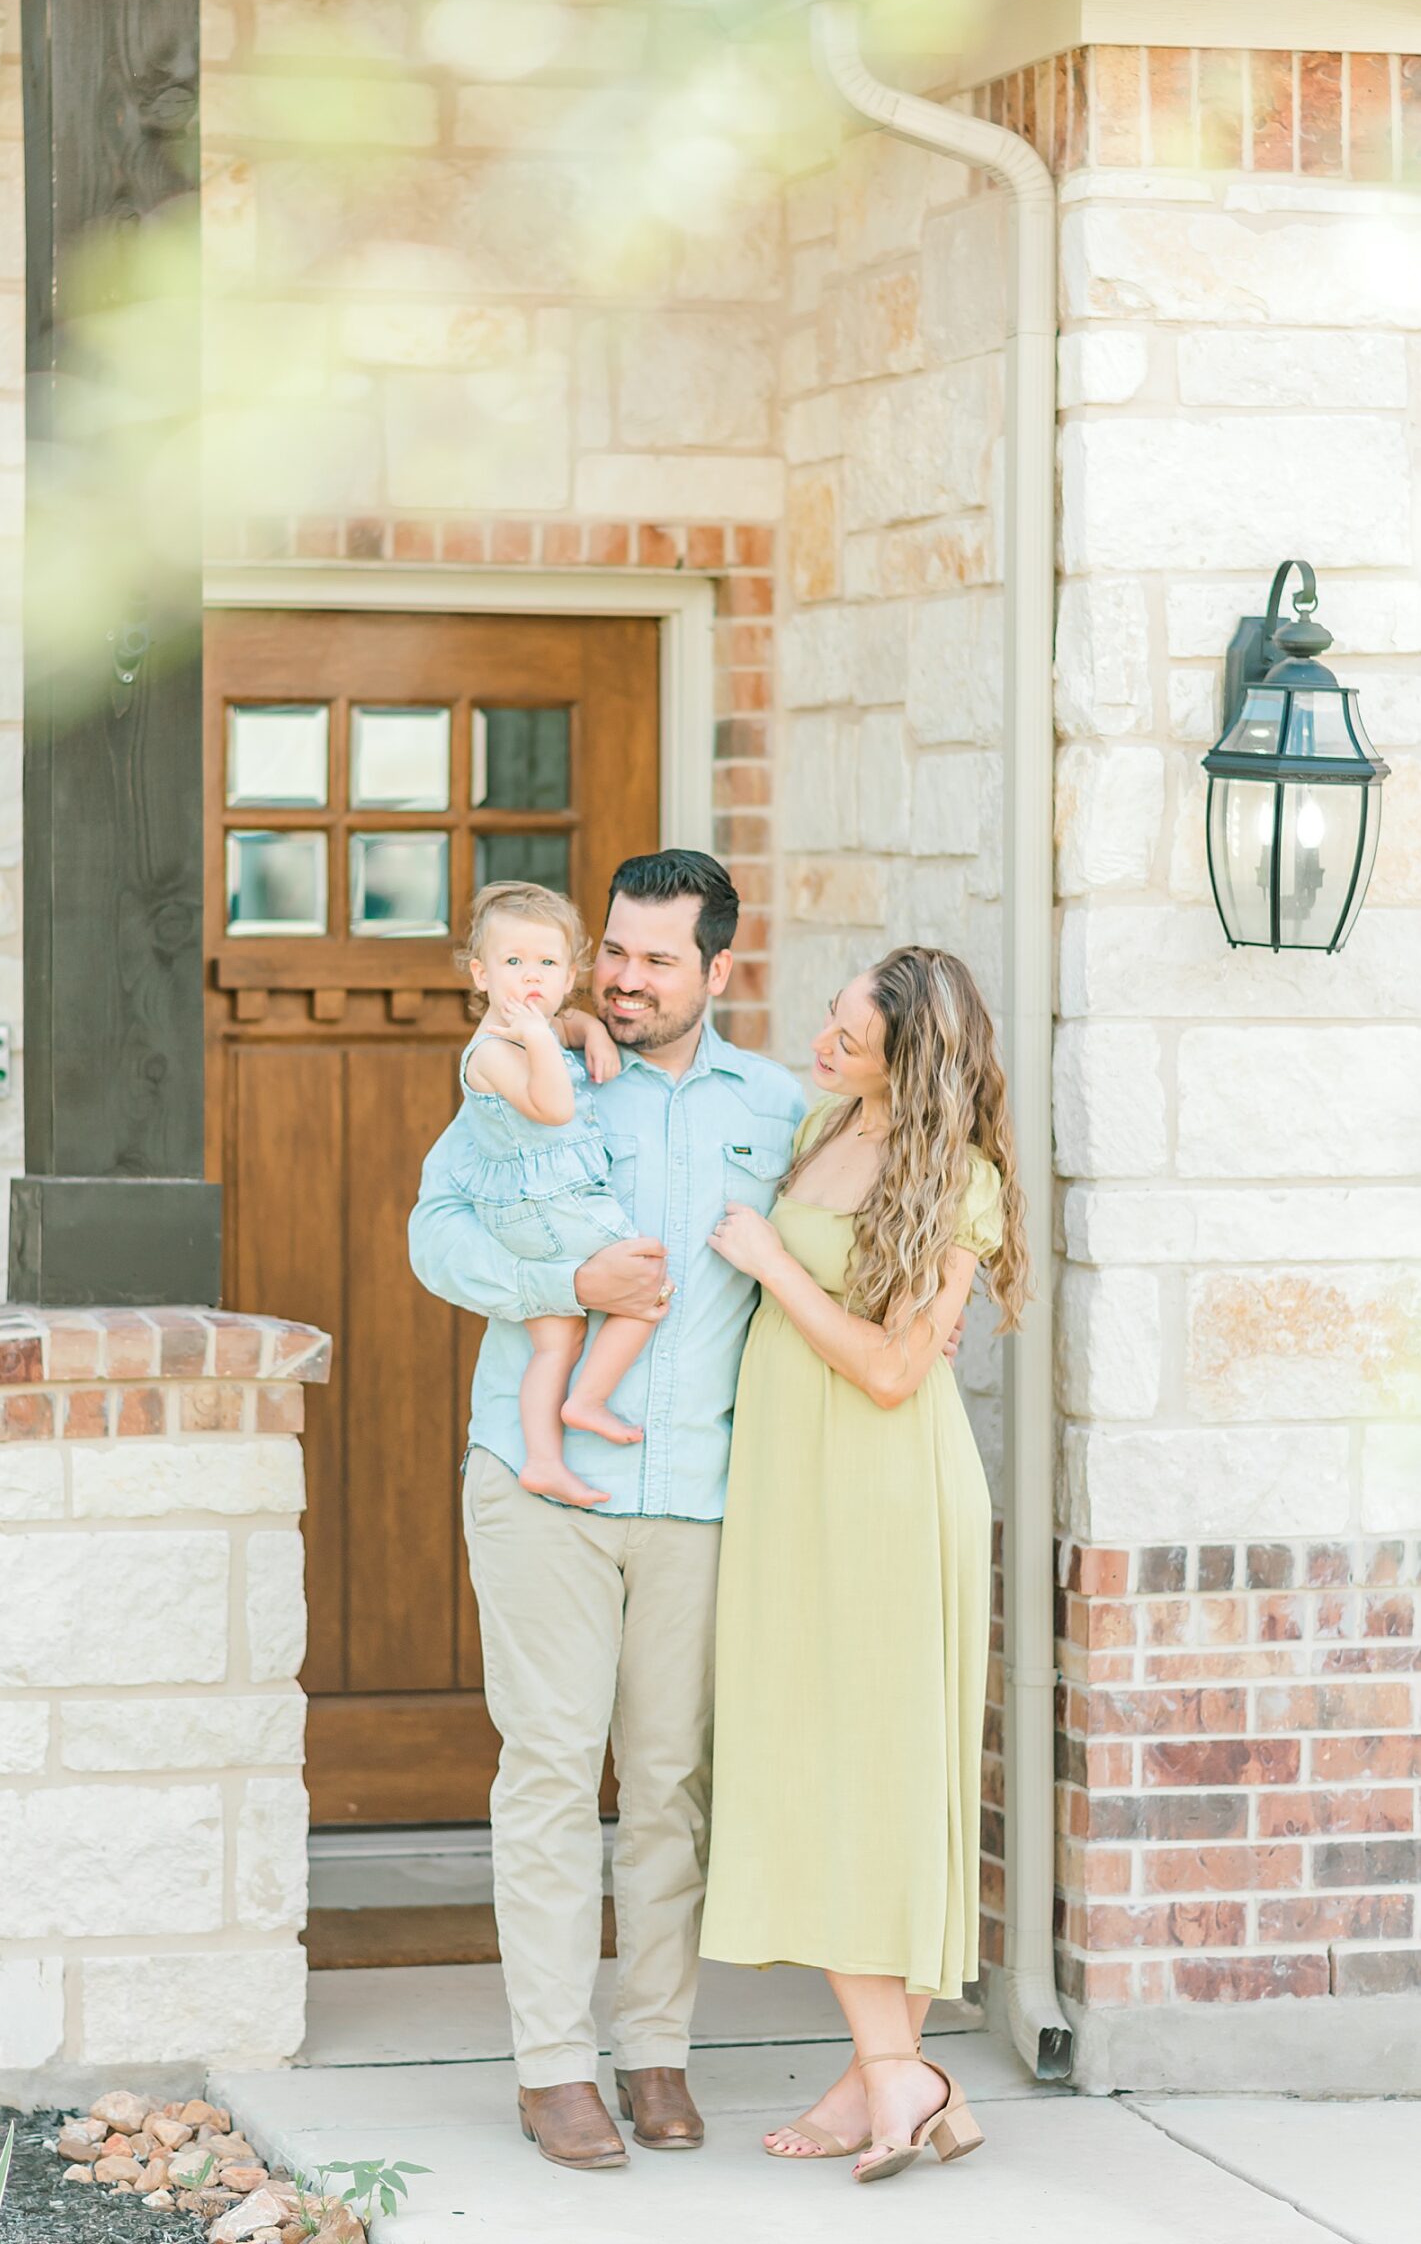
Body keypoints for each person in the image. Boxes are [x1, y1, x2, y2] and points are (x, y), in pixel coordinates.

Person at [409, 850, 804, 2172]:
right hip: (537, 1489)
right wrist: (562, 1267)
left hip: (695, 1490)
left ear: (717, 971)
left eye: (653, 961)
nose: (624, 982)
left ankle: (656, 2050)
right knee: (549, 1766)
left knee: (671, 1786)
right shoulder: (532, 1073)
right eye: (614, 955)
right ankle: (551, 2065)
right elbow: (435, 1228)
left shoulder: (776, 1108)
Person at [700, 946, 1030, 2186]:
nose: (823, 1041)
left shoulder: (962, 1182)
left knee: (868, 1773)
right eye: (830, 1021)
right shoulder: (821, 1125)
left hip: (889, 1497)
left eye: (847, 1033)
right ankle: (881, 2070)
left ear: (910, 1057)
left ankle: (898, 2074)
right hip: (796, 1490)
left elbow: (894, 1372)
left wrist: (774, 1264)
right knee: (812, 1755)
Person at [452, 879, 654, 1509]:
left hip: (531, 1209)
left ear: (571, 974)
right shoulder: (491, 1051)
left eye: (547, 964)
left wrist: (587, 1029)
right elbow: (554, 1108)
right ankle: (588, 1398)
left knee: (557, 1339)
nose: (530, 978)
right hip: (546, 1209)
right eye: (513, 963)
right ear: (481, 975)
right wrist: (546, 1041)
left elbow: (562, 1023)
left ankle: (542, 1459)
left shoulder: (534, 1022)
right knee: (649, 1284)